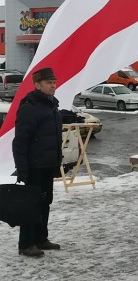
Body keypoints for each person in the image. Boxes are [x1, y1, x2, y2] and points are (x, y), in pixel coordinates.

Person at [12, 67, 63, 257]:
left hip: (47, 165)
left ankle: (41, 238)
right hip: (33, 167)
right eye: (49, 83)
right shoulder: (30, 108)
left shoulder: (51, 105)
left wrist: (56, 162)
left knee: (44, 203)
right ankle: (26, 243)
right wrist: (22, 169)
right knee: (30, 205)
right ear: (37, 85)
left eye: (54, 82)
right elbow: (20, 141)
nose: (53, 85)